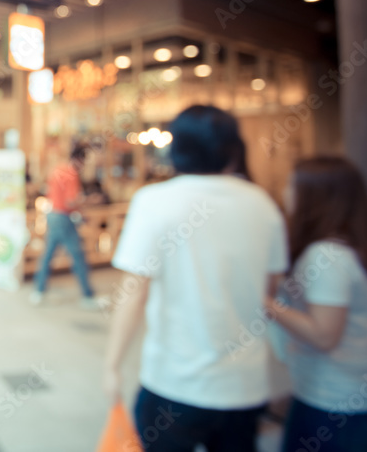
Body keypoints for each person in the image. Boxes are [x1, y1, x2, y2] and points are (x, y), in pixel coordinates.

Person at [104, 105, 289, 451]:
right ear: (233, 150)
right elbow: (270, 292)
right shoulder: (263, 205)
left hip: (174, 382)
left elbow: (134, 293)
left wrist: (112, 365)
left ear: (177, 150)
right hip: (244, 386)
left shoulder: (154, 201)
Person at [264, 157, 367, 451]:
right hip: (334, 396)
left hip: (335, 403)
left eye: (291, 185)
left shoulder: (328, 257)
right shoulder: (347, 247)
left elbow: (324, 335)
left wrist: (266, 304)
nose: (285, 192)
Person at [30, 144, 102, 309]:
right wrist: (90, 201)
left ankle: (38, 290)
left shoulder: (57, 169)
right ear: (80, 160)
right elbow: (71, 201)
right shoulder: (71, 174)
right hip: (64, 217)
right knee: (78, 256)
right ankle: (87, 295)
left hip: (52, 215)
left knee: (48, 255)